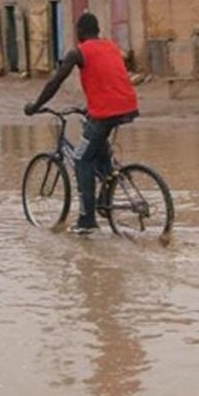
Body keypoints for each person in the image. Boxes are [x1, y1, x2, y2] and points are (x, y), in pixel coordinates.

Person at [24, 13, 139, 235]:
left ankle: (87, 221)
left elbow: (55, 81)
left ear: (79, 32)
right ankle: (107, 192)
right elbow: (108, 80)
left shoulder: (79, 52)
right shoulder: (111, 47)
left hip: (106, 112)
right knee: (99, 149)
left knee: (80, 159)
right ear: (98, 30)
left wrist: (36, 105)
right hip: (127, 107)